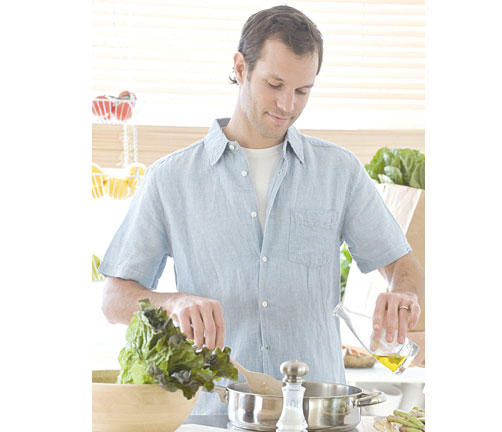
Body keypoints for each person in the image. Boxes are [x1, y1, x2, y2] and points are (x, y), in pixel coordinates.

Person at [99, 5, 424, 414]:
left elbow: (403, 265)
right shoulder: (171, 178)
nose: (287, 105)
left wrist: (403, 293)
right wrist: (174, 304)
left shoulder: (338, 171)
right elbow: (114, 300)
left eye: (302, 91)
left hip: (315, 416)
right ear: (240, 67)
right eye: (275, 84)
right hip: (214, 416)